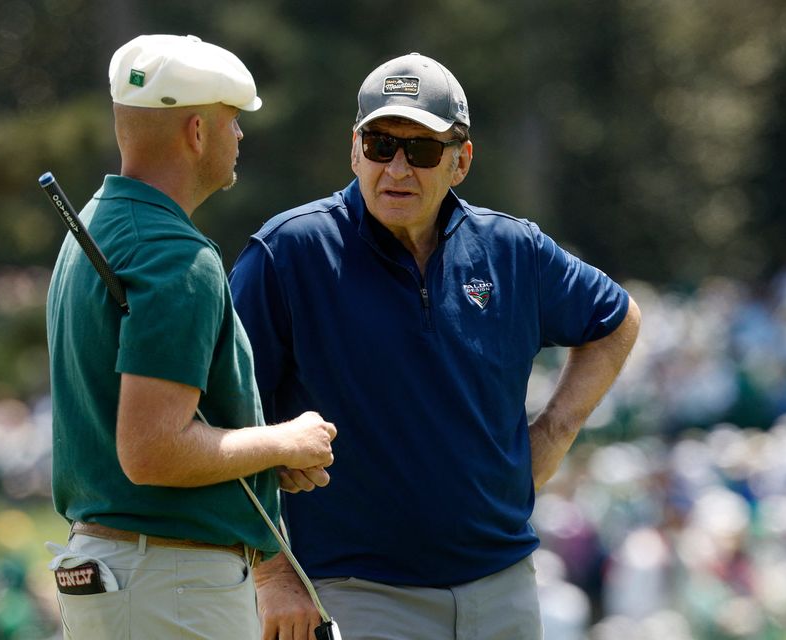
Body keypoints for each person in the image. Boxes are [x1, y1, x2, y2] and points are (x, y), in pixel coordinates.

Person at [229, 52, 642, 640]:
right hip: (353, 590)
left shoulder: (511, 248)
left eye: (420, 150)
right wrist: (271, 574)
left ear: (461, 160)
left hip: (502, 584)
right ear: (354, 149)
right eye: (379, 144)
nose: (397, 168)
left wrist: (552, 435)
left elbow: (617, 321)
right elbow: (222, 407)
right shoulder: (289, 251)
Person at [45, 34, 337, 640]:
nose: (240, 137)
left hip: (124, 576)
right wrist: (284, 438)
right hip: (169, 585)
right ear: (197, 131)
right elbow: (152, 450)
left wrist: (262, 457)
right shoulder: (174, 254)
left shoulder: (96, 228)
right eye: (233, 122)